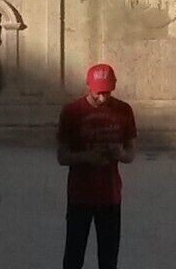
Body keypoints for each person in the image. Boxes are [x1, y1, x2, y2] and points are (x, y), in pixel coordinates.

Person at [57, 61, 137, 269]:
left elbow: (131, 153)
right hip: (80, 195)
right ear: (88, 86)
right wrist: (87, 157)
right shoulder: (72, 112)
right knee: (74, 256)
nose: (102, 98)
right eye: (97, 93)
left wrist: (119, 153)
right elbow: (62, 156)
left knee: (109, 259)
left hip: (110, 196)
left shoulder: (124, 111)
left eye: (107, 93)